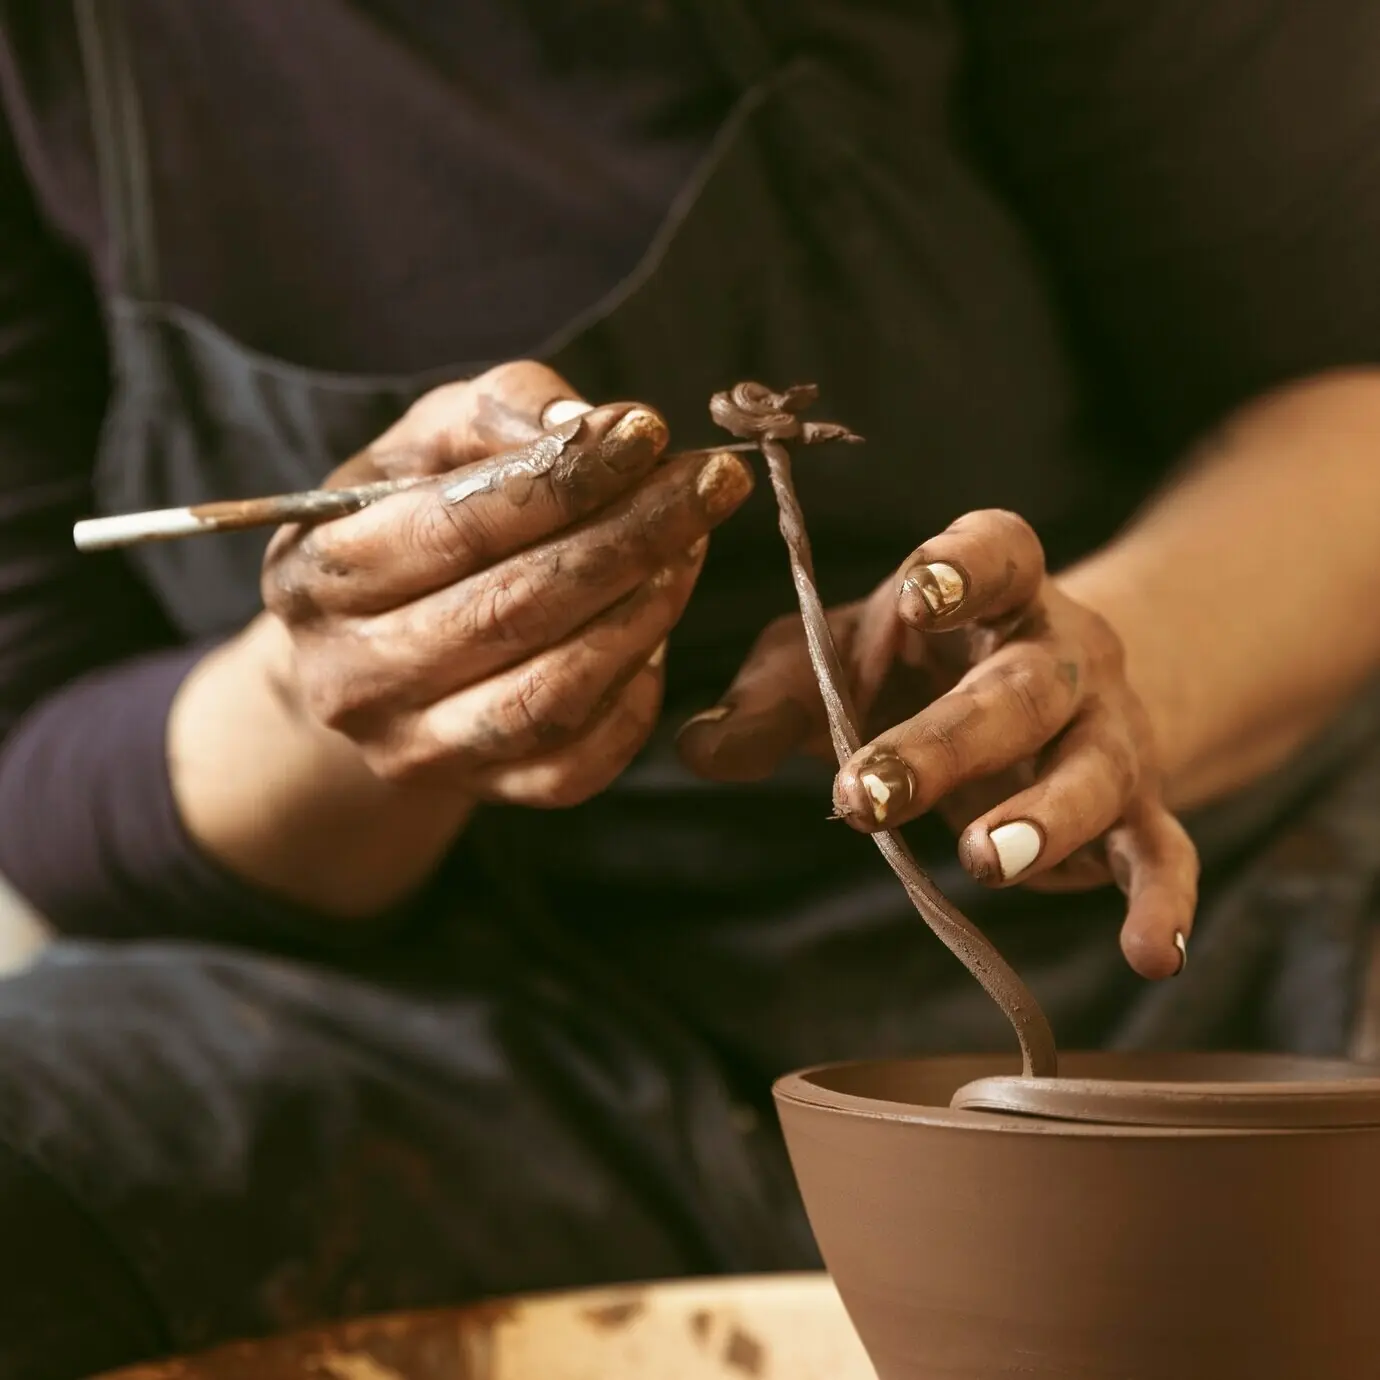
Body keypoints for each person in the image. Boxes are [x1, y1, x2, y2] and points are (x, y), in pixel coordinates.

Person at [2, 2, 1380, 1376]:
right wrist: (354, 698)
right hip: (472, 1018)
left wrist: (1091, 682)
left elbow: (1346, 409)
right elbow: (43, 760)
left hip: (1183, 914)